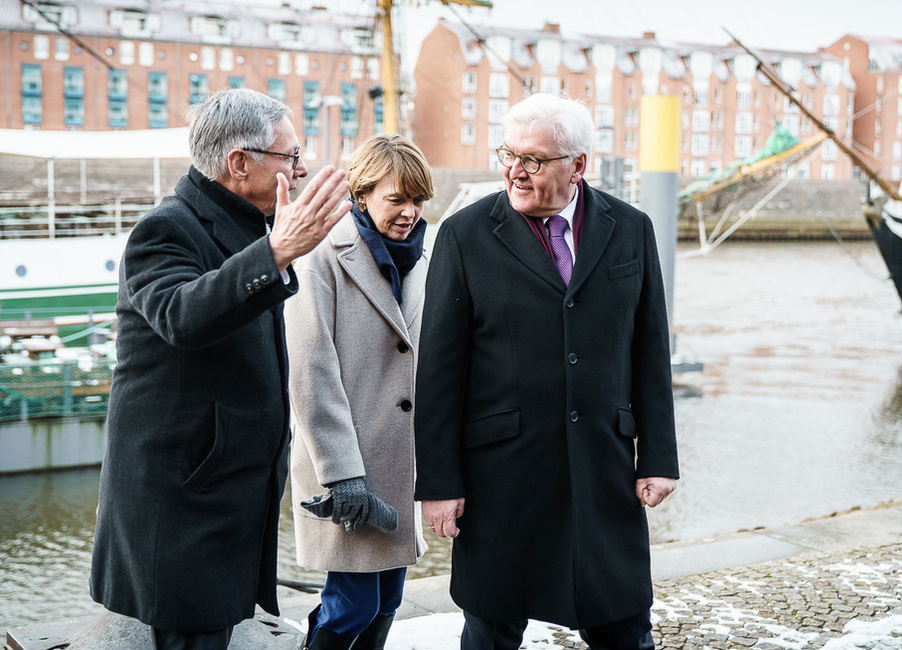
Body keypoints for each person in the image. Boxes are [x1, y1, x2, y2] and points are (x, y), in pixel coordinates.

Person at [414, 93, 680, 650]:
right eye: (508, 153)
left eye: (533, 159)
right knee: (491, 626)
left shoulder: (630, 228)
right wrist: (439, 484)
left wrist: (658, 456)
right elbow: (439, 371)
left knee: (625, 623)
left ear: (578, 165)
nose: (515, 170)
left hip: (602, 469)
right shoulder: (463, 235)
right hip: (503, 478)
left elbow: (650, 350)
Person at [89, 88, 352, 650]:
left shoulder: (247, 224)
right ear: (240, 163)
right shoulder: (165, 228)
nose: (302, 169)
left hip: (224, 493)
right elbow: (181, 315)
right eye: (290, 157)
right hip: (184, 501)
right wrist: (277, 252)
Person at [283, 133, 435, 650]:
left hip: (398, 462)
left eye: (418, 200)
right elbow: (310, 368)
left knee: (386, 601)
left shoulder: (419, 255)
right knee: (353, 604)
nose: (410, 212)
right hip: (347, 464)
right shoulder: (321, 253)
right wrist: (341, 473)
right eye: (397, 199)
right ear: (362, 192)